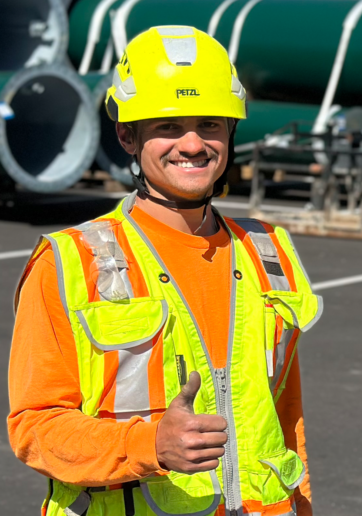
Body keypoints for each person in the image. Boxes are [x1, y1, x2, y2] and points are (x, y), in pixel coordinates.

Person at [8, 26, 322, 516]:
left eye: (210, 125)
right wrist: (149, 445)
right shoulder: (71, 261)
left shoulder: (268, 251)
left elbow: (285, 419)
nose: (193, 144)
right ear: (127, 135)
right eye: (169, 127)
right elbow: (35, 428)